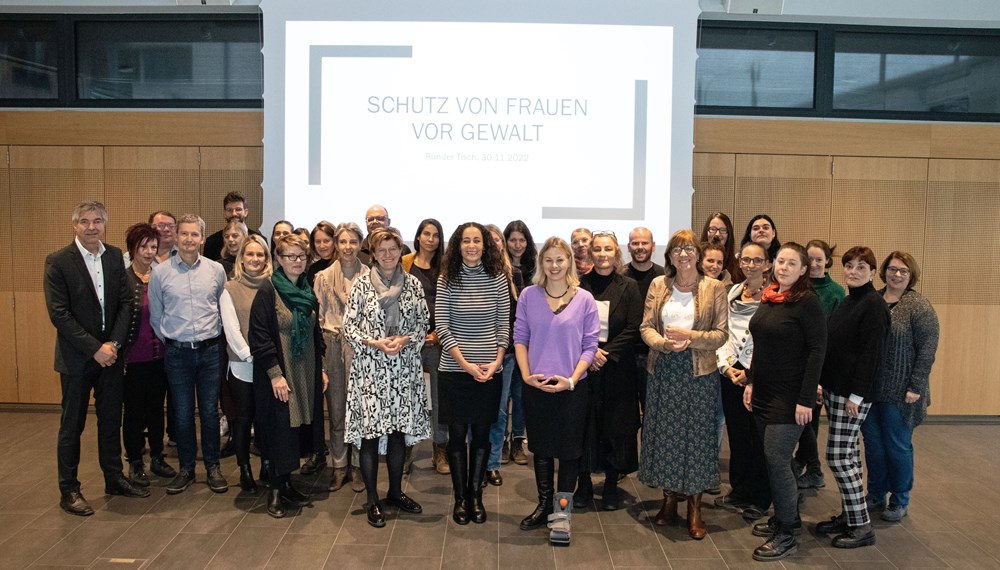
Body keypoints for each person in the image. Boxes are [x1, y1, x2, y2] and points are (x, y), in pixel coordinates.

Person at [44, 201, 149, 516]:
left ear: (106, 223)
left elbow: (125, 305)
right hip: (77, 360)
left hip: (111, 357)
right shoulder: (58, 261)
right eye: (85, 221)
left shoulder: (116, 256)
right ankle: (69, 489)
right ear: (74, 225)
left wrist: (113, 345)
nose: (92, 227)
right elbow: (59, 315)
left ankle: (114, 479)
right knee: (72, 426)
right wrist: (95, 348)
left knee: (109, 422)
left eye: (98, 221)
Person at [638, 229, 727, 540]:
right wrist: (662, 343)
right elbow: (646, 326)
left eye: (689, 249)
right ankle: (669, 501)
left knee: (697, 442)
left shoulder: (714, 287)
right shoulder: (658, 284)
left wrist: (690, 338)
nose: (684, 254)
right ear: (670, 256)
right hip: (663, 370)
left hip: (698, 374)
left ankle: (695, 508)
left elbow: (721, 335)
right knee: (666, 438)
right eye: (677, 250)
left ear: (698, 254)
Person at [743, 242, 828, 561]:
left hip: (791, 398)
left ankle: (788, 532)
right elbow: (759, 344)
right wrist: (750, 381)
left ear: (804, 269)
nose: (784, 267)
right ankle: (781, 517)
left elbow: (817, 351)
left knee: (777, 459)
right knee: (775, 460)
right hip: (764, 392)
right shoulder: (770, 296)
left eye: (792, 263)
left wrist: (807, 400)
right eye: (780, 261)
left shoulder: (808, 302)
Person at [514, 237, 599, 545]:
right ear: (541, 263)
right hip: (536, 387)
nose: (554, 266)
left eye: (559, 260)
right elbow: (520, 337)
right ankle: (543, 505)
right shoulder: (528, 296)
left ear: (569, 262)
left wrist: (573, 379)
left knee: (570, 454)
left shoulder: (585, 299)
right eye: (548, 260)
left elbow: (590, 346)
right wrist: (525, 376)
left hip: (572, 390)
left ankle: (561, 515)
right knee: (541, 451)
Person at [344, 228, 431, 527]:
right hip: (370, 370)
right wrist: (373, 342)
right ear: (373, 252)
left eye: (393, 248)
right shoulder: (360, 286)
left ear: (400, 249)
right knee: (370, 437)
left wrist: (406, 339)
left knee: (397, 434)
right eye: (382, 249)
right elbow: (349, 327)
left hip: (403, 369)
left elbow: (423, 324)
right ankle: (372, 498)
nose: (388, 254)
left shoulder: (414, 285)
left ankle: (395, 492)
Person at [148, 214, 229, 495]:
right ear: (176, 237)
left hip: (209, 353)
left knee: (209, 412)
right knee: (181, 414)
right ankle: (185, 469)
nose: (189, 239)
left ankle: (213, 467)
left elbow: (221, 309)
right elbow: (157, 317)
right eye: (184, 234)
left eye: (195, 234)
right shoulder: (160, 273)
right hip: (178, 354)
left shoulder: (216, 270)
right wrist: (175, 341)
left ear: (202, 238)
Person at [436, 222, 510, 525]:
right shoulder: (446, 279)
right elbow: (442, 325)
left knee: (482, 436)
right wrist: (465, 364)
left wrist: (495, 363)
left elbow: (504, 326)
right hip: (455, 371)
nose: (471, 246)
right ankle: (460, 499)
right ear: (458, 245)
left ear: (485, 245)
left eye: (476, 240)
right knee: (456, 437)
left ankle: (476, 496)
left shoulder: (498, 279)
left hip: (489, 370)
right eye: (465, 240)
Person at [816, 246, 890, 549]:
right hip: (836, 391)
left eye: (862, 267)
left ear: (873, 272)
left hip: (852, 397)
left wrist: (856, 397)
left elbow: (872, 356)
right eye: (849, 266)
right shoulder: (849, 301)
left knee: (836, 456)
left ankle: (861, 526)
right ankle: (850, 515)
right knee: (849, 457)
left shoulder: (873, 304)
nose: (854, 272)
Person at [249, 233, 327, 518]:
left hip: (305, 372)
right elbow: (259, 337)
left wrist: (321, 368)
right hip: (280, 375)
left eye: (301, 256)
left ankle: (287, 483)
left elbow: (316, 333)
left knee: (296, 430)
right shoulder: (268, 291)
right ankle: (275, 492)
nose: (296, 261)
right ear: (278, 260)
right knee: (279, 430)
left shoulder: (307, 290)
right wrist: (274, 375)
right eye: (290, 256)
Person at [863, 252, 939, 522]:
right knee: (873, 445)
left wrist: (915, 386)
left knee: (897, 446)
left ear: (911, 275)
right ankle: (875, 494)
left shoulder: (918, 306)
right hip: (871, 390)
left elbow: (927, 350)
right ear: (883, 271)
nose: (896, 275)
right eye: (892, 269)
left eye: (903, 271)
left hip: (902, 392)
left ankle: (899, 499)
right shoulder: (873, 300)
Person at [577, 232, 642, 511]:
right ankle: (584, 485)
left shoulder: (628, 287)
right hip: (584, 367)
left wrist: (608, 353)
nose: (603, 254)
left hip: (617, 368)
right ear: (590, 254)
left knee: (616, 426)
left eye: (608, 249)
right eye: (597, 249)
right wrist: (590, 353)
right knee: (584, 426)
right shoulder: (578, 287)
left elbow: (634, 325)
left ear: (616, 253)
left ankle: (613, 485)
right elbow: (569, 326)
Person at [714, 242, 772, 519]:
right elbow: (722, 332)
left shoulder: (775, 297)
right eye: (745, 260)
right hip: (731, 372)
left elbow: (771, 338)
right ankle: (739, 489)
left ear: (767, 264)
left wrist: (749, 373)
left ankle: (760, 497)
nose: (750, 265)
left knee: (758, 437)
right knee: (737, 435)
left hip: (759, 373)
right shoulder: (731, 293)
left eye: (757, 260)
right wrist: (727, 368)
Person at [313, 222, 369, 493]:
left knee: (358, 409)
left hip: (360, 348)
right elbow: (319, 318)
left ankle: (357, 466)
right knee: (336, 410)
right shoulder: (323, 277)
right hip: (332, 344)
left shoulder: (370, 276)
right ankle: (338, 466)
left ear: (360, 244)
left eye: (353, 242)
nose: (348, 247)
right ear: (336, 244)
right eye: (343, 242)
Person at [121, 223, 177, 489]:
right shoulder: (122, 279)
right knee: (133, 413)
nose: (148, 251)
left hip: (161, 357)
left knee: (157, 410)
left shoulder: (160, 276)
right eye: (143, 246)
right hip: (133, 359)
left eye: (153, 247)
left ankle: (157, 456)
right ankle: (134, 462)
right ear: (132, 248)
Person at [220, 235, 272, 493]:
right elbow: (231, 330)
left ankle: (266, 463)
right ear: (241, 258)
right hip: (243, 366)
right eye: (249, 254)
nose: (255, 259)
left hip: (270, 368)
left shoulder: (275, 285)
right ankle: (244, 469)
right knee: (243, 419)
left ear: (266, 258)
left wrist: (269, 360)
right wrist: (253, 356)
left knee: (266, 420)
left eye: (260, 255)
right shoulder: (230, 288)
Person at [793, 239, 845, 490]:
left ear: (828, 262)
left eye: (819, 260)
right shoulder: (796, 287)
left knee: (809, 420)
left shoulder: (836, 292)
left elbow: (833, 336)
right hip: (796, 364)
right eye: (810, 259)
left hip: (821, 364)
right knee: (802, 420)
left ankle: (813, 468)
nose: (814, 264)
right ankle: (802, 462)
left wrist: (822, 379)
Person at [402, 219, 450, 475]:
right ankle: (407, 449)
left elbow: (449, 303)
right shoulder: (404, 263)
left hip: (436, 341)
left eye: (435, 235)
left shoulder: (445, 266)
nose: (430, 239)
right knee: (409, 397)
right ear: (418, 236)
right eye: (426, 234)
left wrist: (437, 335)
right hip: (409, 342)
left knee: (440, 399)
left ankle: (439, 449)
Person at [484, 224, 523, 487]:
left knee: (498, 412)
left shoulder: (514, 274)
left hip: (505, 354)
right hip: (473, 354)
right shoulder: (466, 273)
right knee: (477, 412)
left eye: (497, 240)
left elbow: (518, 317)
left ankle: (492, 463)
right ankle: (476, 460)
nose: (493, 244)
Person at [625, 227, 664, 415]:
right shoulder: (620, 277)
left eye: (644, 243)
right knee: (627, 415)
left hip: (655, 355)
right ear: (628, 247)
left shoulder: (665, 277)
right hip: (626, 356)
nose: (640, 247)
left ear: (653, 246)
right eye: (635, 243)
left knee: (654, 412)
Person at [204, 191, 256, 262]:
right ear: (225, 213)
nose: (234, 214)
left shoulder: (259, 239)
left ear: (246, 212)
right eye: (229, 210)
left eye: (238, 209)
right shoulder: (211, 242)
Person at [700, 212, 740, 282]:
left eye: (723, 230)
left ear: (729, 234)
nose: (717, 234)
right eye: (713, 229)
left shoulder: (738, 268)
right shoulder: (694, 262)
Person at [504, 219, 537, 284]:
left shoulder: (535, 267)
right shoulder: (499, 268)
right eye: (513, 240)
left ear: (528, 242)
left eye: (522, 240)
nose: (518, 245)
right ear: (505, 241)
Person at [305, 221, 337, 286]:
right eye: (318, 241)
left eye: (326, 241)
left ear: (335, 241)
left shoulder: (344, 265)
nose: (322, 246)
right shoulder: (312, 269)